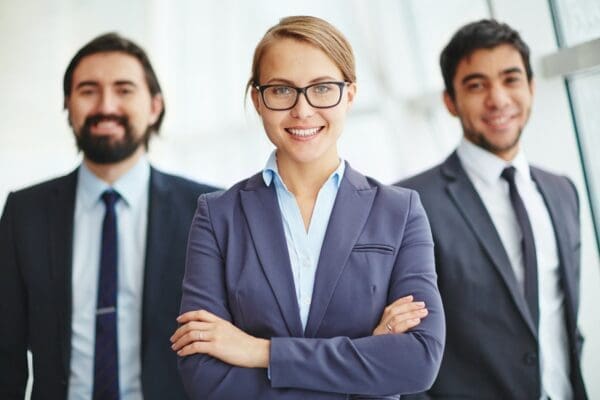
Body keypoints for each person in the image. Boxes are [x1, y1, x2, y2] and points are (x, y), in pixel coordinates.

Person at [169, 16, 445, 399]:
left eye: (322, 88)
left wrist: (258, 351)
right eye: (282, 90)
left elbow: (418, 361)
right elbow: (204, 375)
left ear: (349, 94)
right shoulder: (218, 216)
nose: (302, 110)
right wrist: (366, 356)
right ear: (257, 98)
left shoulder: (399, 212)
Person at [0, 33, 218, 400]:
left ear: (154, 106)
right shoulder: (25, 212)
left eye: (124, 89)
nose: (106, 105)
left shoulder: (208, 209)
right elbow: (4, 348)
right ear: (68, 105)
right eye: (88, 90)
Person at [399, 19, 587, 399]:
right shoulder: (407, 205)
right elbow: (400, 350)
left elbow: (561, 322)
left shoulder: (562, 190)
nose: (498, 98)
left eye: (511, 79)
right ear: (450, 101)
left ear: (532, 88)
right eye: (476, 85)